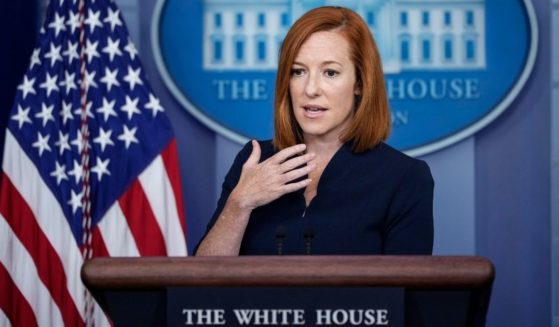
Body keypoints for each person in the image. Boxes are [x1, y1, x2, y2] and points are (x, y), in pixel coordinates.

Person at [195, 6, 434, 256]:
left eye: (330, 73)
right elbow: (201, 283)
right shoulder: (254, 160)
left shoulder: (404, 178)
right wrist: (239, 204)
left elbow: (407, 292)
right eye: (298, 72)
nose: (311, 89)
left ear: (360, 83)